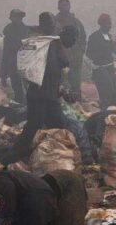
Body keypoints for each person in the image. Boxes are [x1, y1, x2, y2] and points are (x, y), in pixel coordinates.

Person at [8, 24, 75, 162]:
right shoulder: (54, 46)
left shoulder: (56, 46)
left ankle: (57, 158)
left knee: (57, 126)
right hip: (41, 96)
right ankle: (9, 159)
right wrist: (62, 88)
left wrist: (61, 90)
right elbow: (51, 71)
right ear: (66, 35)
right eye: (74, 38)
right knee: (34, 126)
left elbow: (54, 74)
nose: (74, 42)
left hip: (48, 96)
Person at [86, 15, 116, 110]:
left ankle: (111, 111)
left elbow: (114, 49)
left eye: (110, 23)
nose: (110, 26)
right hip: (100, 68)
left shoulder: (109, 36)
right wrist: (99, 57)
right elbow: (88, 53)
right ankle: (104, 111)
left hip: (110, 67)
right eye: (107, 23)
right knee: (106, 91)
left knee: (113, 91)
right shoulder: (94, 36)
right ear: (101, 24)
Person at [55, 0, 86, 99]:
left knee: (75, 85)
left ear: (69, 6)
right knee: (61, 86)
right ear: (58, 7)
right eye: (62, 5)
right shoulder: (54, 22)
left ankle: (77, 105)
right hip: (60, 61)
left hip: (75, 59)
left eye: (66, 5)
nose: (65, 7)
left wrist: (81, 52)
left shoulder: (76, 22)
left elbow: (83, 38)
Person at [0, 8, 31, 103]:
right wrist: (3, 74)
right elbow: (5, 54)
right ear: (12, 18)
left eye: (19, 17)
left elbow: (32, 47)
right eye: (15, 17)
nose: (17, 19)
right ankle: (21, 104)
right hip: (13, 63)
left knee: (29, 88)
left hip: (26, 63)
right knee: (17, 88)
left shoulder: (27, 31)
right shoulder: (8, 33)